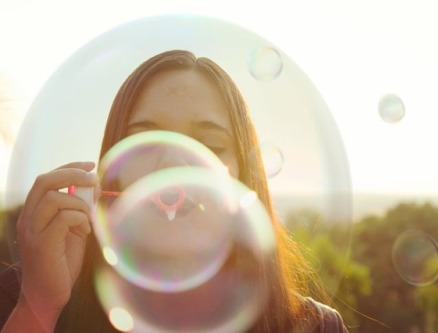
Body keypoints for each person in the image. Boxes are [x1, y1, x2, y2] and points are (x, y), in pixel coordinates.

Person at [0, 50, 349, 332]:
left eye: (209, 144)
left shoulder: (312, 326)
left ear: (244, 176)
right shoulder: (26, 295)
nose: (172, 165)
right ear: (112, 172)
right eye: (144, 140)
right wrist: (40, 306)